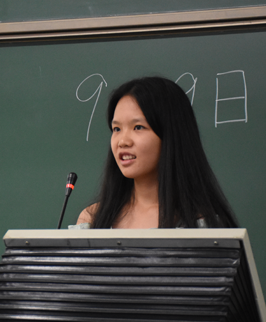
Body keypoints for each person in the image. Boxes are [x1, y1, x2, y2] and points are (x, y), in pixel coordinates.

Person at [76, 76, 238, 229]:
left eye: (138, 127)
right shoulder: (93, 218)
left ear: (171, 135)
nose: (123, 141)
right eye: (116, 129)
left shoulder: (202, 222)